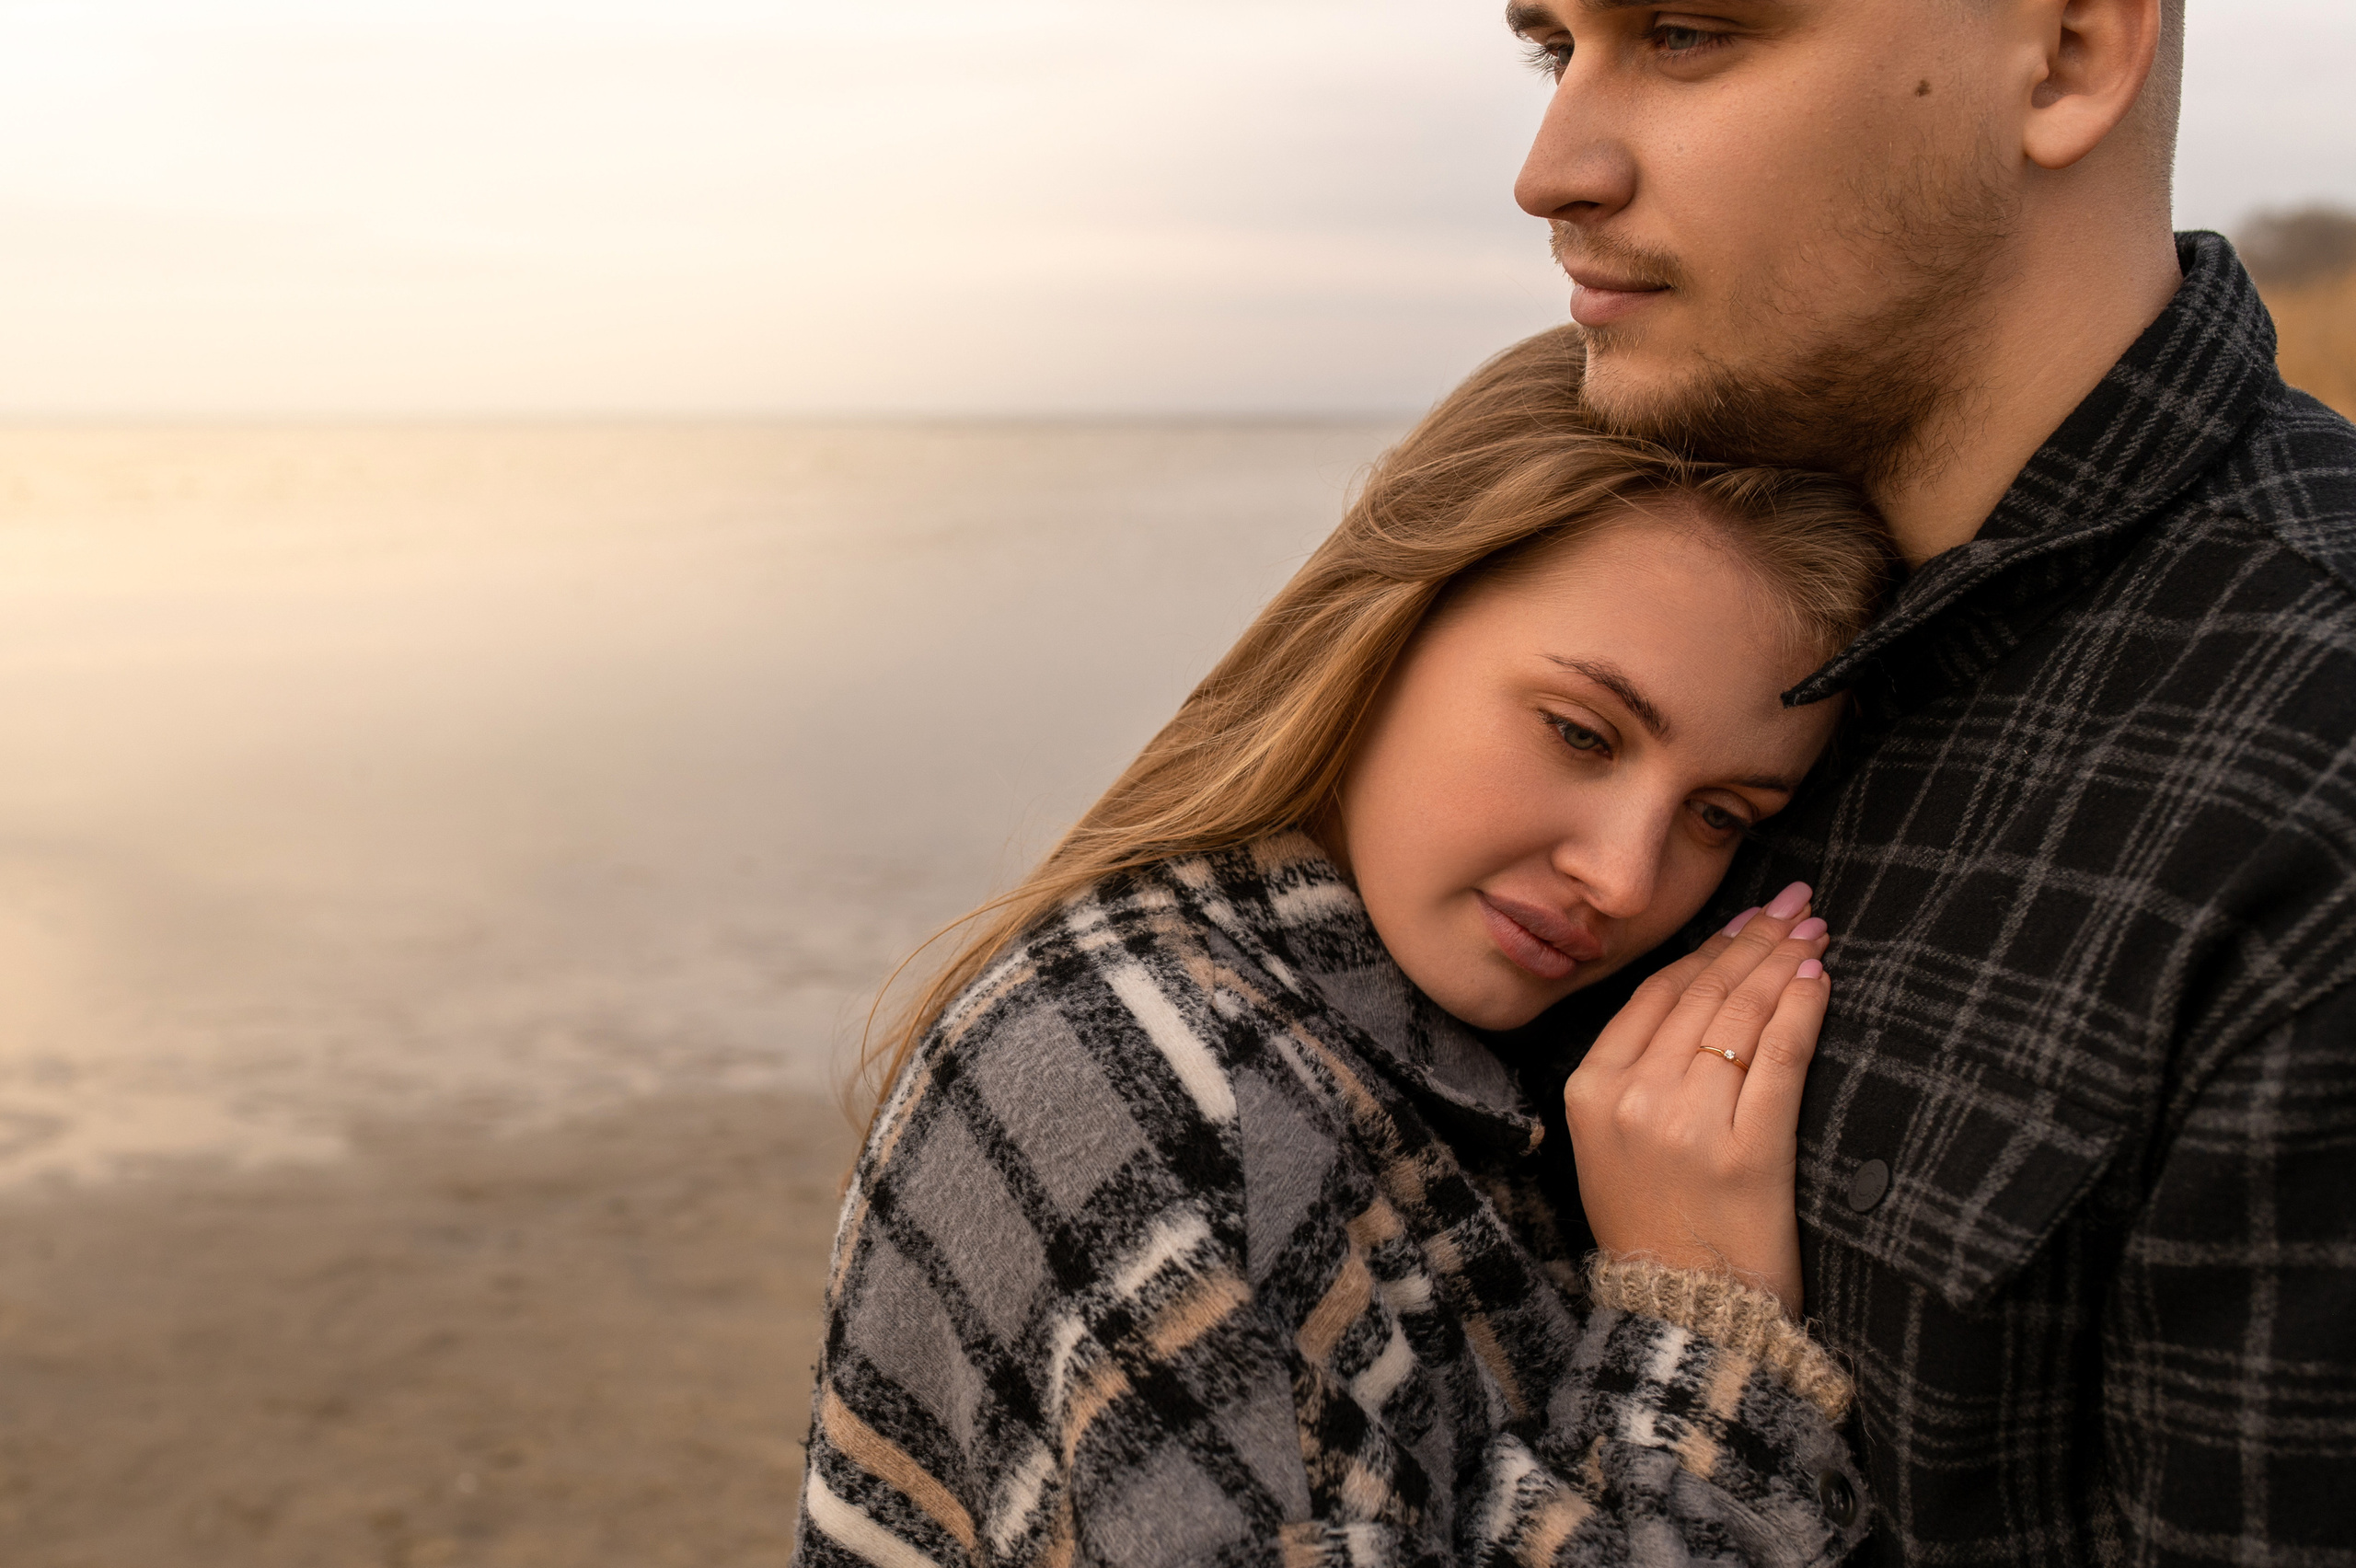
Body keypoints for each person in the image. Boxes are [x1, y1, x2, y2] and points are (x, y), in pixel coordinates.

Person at [792, 330, 1896, 1566]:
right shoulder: (1162, 1096)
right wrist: (1704, 1320)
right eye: (1581, 733)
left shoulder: (1382, 1048)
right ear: (1386, 628)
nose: (1626, 876)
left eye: (1718, 816)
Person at [1507, 0, 2356, 1558]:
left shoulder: (2315, 793)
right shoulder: (1633, 585)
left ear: (2075, 51)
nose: (1551, 167)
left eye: (1686, 34)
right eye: (1553, 48)